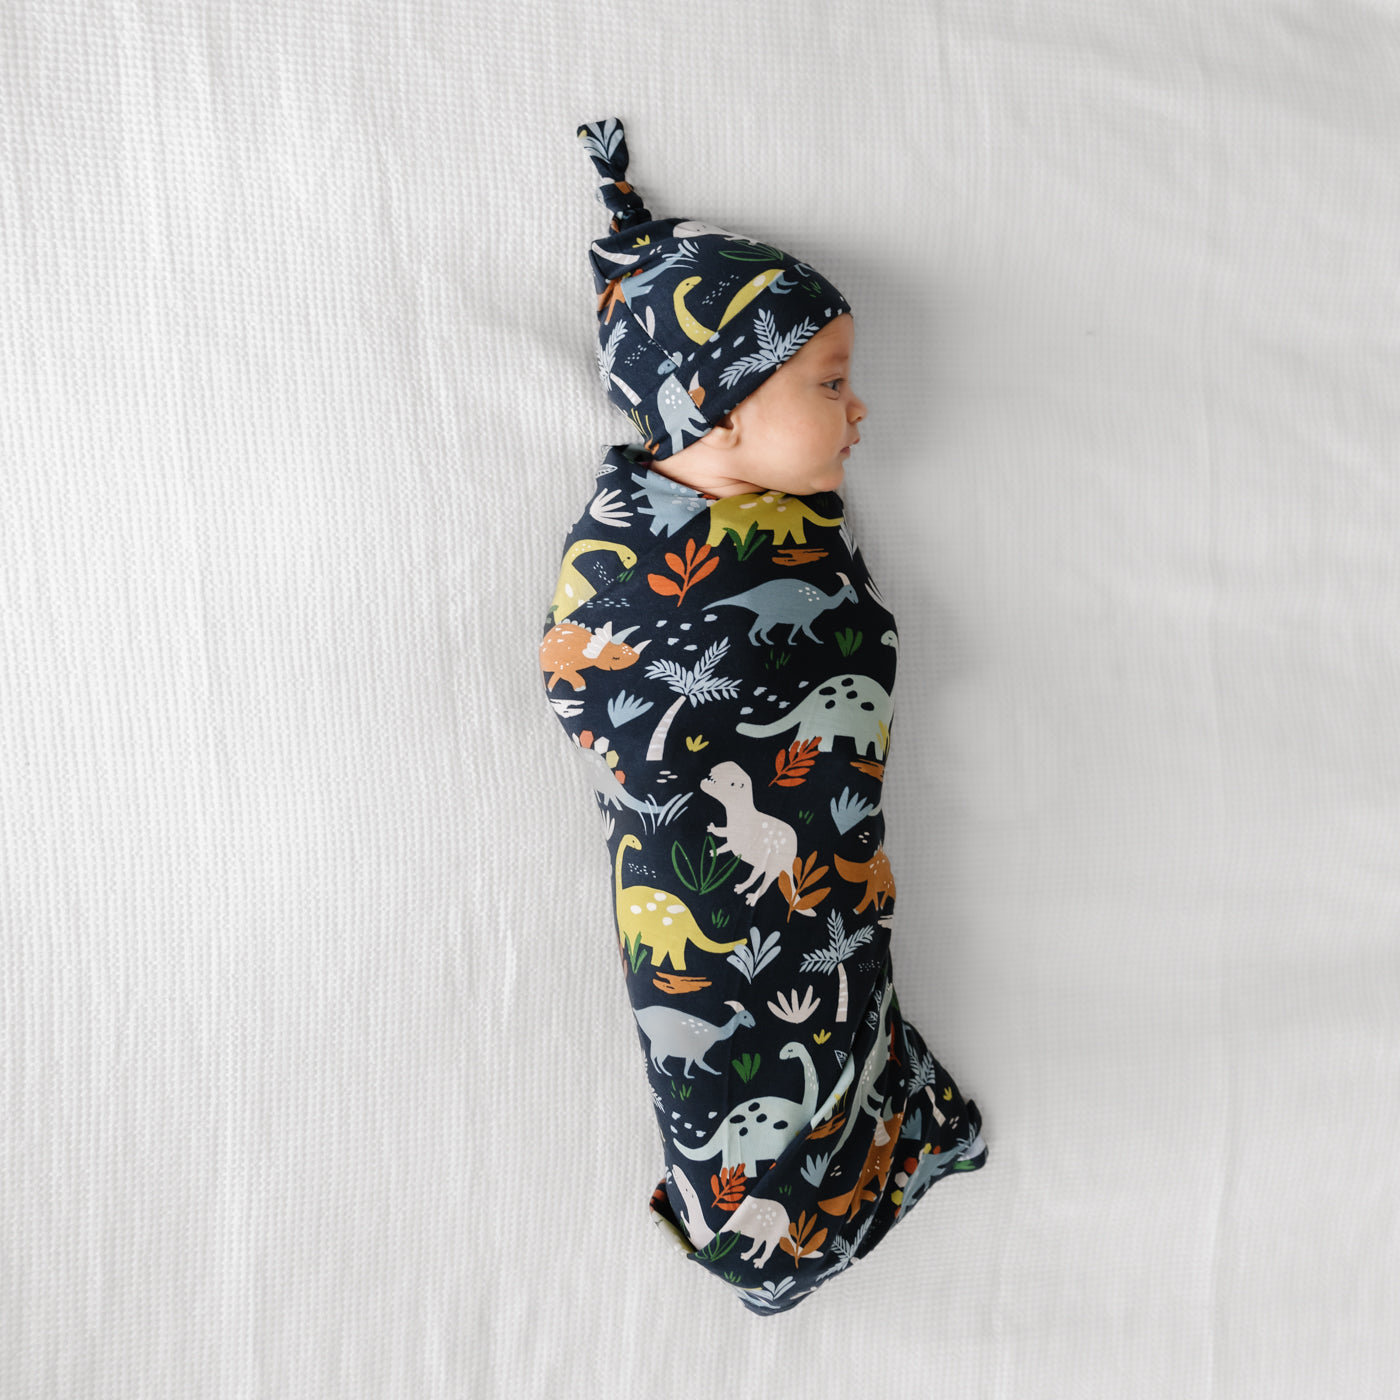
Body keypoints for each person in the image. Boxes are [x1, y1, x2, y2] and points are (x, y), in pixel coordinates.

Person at [539, 118, 985, 1314]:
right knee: (739, 1086)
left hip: (831, 874)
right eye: (829, 383)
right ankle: (766, 1243)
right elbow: (585, 676)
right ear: (719, 404)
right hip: (703, 919)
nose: (859, 412)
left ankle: (891, 1145)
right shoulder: (627, 553)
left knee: (849, 1023)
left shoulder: (797, 527)